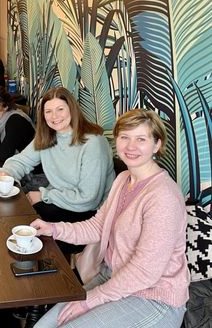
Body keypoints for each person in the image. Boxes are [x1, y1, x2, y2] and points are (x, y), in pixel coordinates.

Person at [32, 108, 189, 328]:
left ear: (157, 145)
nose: (131, 146)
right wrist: (53, 229)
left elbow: (145, 273)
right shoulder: (124, 178)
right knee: (43, 325)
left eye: (141, 139)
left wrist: (89, 302)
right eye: (124, 137)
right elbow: (97, 226)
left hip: (153, 297)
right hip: (112, 279)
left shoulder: (163, 196)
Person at [0, 87, 114, 253]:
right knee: (14, 223)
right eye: (48, 111)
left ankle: (56, 277)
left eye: (60, 109)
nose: (54, 116)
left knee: (35, 240)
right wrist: (6, 172)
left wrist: (44, 195)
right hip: (59, 204)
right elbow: (22, 160)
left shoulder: (93, 143)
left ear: (72, 109)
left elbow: (89, 199)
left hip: (89, 216)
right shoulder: (47, 137)